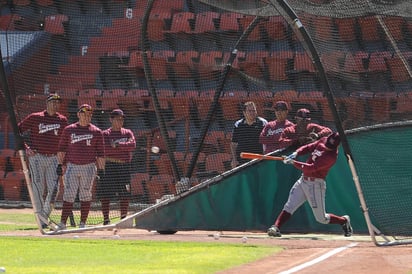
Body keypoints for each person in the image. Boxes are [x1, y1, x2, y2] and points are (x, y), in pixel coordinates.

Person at [267, 132, 353, 237]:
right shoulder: (323, 140)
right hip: (303, 180)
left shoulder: (331, 157)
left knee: (322, 219)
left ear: (336, 146)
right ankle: (275, 227)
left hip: (316, 184)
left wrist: (293, 162)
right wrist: (296, 153)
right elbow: (309, 147)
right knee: (289, 206)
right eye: (327, 144)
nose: (327, 147)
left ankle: (343, 221)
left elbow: (311, 168)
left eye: (330, 147)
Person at [18, 93, 68, 228]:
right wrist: (26, 148)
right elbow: (18, 130)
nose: (55, 105)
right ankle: (41, 219)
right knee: (38, 189)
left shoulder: (62, 120)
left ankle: (43, 217)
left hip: (54, 158)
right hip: (37, 157)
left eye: (58, 102)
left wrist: (63, 161)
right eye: (53, 102)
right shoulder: (35, 117)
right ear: (47, 103)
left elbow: (66, 141)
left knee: (54, 189)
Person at [56, 104, 105, 229]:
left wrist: (101, 169)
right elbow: (62, 148)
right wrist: (59, 164)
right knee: (69, 194)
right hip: (72, 166)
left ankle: (82, 223)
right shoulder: (69, 129)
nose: (86, 116)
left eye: (89, 114)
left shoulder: (96, 131)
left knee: (85, 195)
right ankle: (62, 223)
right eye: (83, 113)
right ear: (78, 114)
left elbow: (101, 153)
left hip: (89, 167)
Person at [98, 109, 136, 225]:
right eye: (117, 119)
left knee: (125, 193)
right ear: (111, 119)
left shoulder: (127, 132)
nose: (120, 121)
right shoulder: (105, 134)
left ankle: (123, 218)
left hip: (124, 166)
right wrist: (120, 147)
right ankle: (106, 219)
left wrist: (118, 145)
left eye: (122, 119)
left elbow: (132, 145)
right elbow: (106, 149)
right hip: (110, 165)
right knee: (106, 193)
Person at [231, 101, 268, 168]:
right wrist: (234, 159)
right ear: (244, 113)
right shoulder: (238, 124)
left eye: (254, 110)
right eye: (249, 111)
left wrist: (265, 156)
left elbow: (267, 142)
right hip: (241, 161)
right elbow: (233, 144)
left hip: (258, 160)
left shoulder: (263, 123)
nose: (252, 113)